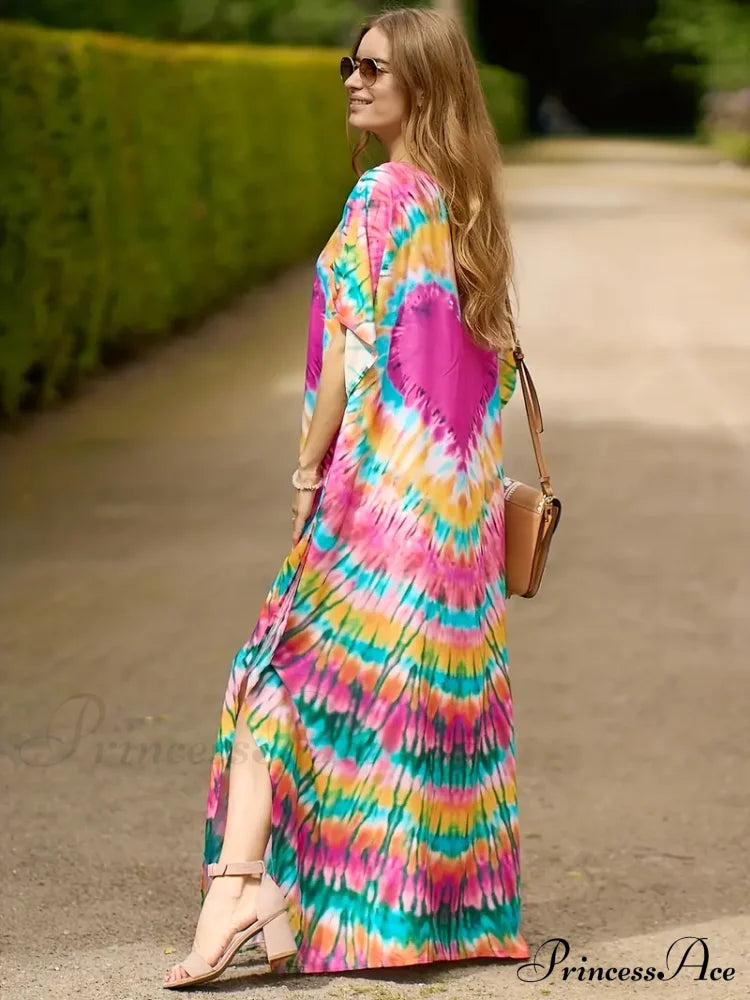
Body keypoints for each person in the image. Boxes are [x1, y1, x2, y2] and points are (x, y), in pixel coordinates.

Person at [164, 5, 528, 989]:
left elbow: (347, 361)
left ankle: (243, 889)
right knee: (411, 701)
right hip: (454, 508)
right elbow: (487, 373)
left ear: (424, 85)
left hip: (378, 497)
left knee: (274, 676)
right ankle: (400, 915)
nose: (354, 82)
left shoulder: (381, 195)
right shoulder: (467, 205)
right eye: (349, 65)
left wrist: (305, 473)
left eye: (374, 68)